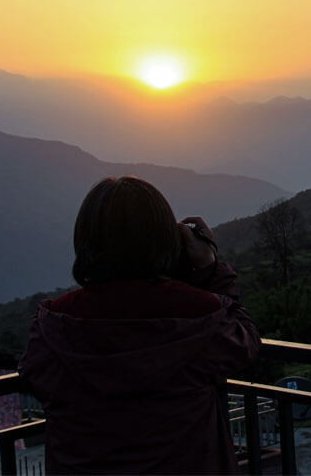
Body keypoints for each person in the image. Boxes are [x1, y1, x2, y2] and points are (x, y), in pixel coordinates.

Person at [19, 176, 260, 475]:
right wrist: (211, 268)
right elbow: (245, 342)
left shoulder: (53, 323)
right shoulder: (198, 314)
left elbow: (33, 375)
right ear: (165, 240)